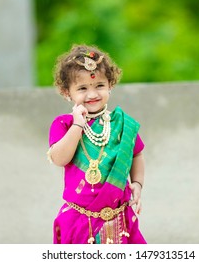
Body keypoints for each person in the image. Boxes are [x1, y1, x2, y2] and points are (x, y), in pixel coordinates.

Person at [47, 44, 146, 244]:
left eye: (99, 85)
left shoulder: (122, 125)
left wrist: (137, 183)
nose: (92, 94)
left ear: (110, 85)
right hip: (79, 220)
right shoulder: (63, 124)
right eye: (82, 88)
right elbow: (59, 159)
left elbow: (137, 154)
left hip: (120, 218)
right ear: (68, 92)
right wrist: (77, 125)